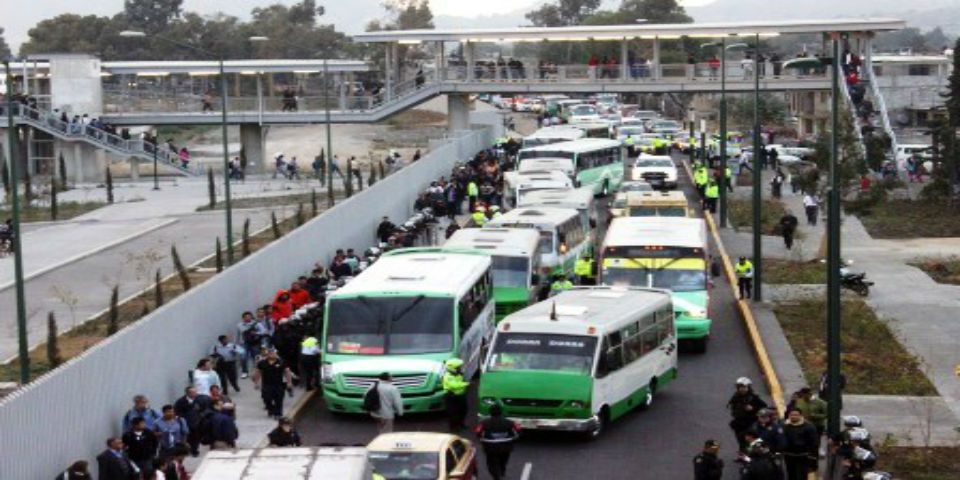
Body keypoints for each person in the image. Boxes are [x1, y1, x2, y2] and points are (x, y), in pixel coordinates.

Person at [475, 404, 520, 480]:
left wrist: (481, 439)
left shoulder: (484, 422)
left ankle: (496, 476)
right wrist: (514, 439)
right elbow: (518, 430)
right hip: (506, 446)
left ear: (490, 412)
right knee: (503, 460)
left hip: (490, 446)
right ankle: (502, 470)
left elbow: (478, 431)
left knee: (492, 462)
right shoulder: (509, 422)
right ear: (501, 412)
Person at [727, 377, 768, 452]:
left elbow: (764, 406)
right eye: (740, 387)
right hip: (738, 422)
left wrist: (753, 408)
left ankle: (754, 454)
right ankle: (742, 455)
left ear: (748, 387)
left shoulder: (753, 397)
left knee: (749, 439)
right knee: (740, 439)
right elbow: (731, 403)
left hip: (749, 422)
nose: (742, 389)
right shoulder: (736, 395)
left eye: (744, 387)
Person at [252, 348, 294, 419]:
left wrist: (289, 382)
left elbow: (287, 372)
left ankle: (278, 414)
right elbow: (258, 372)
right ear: (267, 355)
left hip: (279, 384)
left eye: (274, 353)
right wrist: (256, 383)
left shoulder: (281, 362)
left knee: (279, 399)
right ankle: (271, 409)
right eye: (270, 353)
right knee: (266, 399)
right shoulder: (262, 363)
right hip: (267, 384)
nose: (272, 355)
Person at [173, 386, 211, 457]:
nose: (195, 393)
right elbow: (177, 412)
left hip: (198, 422)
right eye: (193, 392)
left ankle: (194, 450)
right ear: (188, 393)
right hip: (186, 423)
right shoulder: (181, 402)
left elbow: (206, 409)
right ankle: (188, 449)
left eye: (196, 392)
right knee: (188, 437)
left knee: (196, 437)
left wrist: (201, 415)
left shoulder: (200, 399)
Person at [782, 409, 819, 480]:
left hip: (803, 455)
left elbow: (814, 442)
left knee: (802, 475)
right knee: (791, 474)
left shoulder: (809, 426)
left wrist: (813, 456)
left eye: (796, 415)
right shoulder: (785, 426)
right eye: (791, 415)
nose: (793, 417)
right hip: (789, 455)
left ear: (801, 416)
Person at [442, 358, 470, 432]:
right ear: (453, 368)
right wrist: (466, 384)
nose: (460, 368)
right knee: (453, 413)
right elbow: (455, 385)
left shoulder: (457, 374)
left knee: (463, 410)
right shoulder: (448, 376)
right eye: (458, 367)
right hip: (451, 397)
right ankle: (454, 428)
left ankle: (461, 424)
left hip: (460, 395)